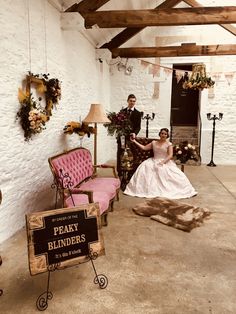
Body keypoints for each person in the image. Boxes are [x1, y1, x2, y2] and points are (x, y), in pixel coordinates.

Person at [124, 128, 197, 199]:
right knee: (146, 168)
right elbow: (144, 148)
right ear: (159, 134)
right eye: (162, 133)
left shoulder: (169, 144)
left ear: (167, 135)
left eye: (165, 134)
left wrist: (163, 162)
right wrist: (134, 141)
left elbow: (170, 155)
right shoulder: (154, 143)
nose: (163, 135)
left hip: (165, 161)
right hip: (153, 160)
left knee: (166, 172)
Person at [117, 94, 142, 176]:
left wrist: (135, 133)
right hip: (122, 137)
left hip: (131, 138)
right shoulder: (122, 112)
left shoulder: (138, 113)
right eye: (131, 101)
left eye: (134, 101)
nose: (132, 102)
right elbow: (118, 124)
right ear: (127, 101)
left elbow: (138, 126)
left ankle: (131, 173)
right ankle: (120, 172)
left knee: (132, 154)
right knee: (120, 153)